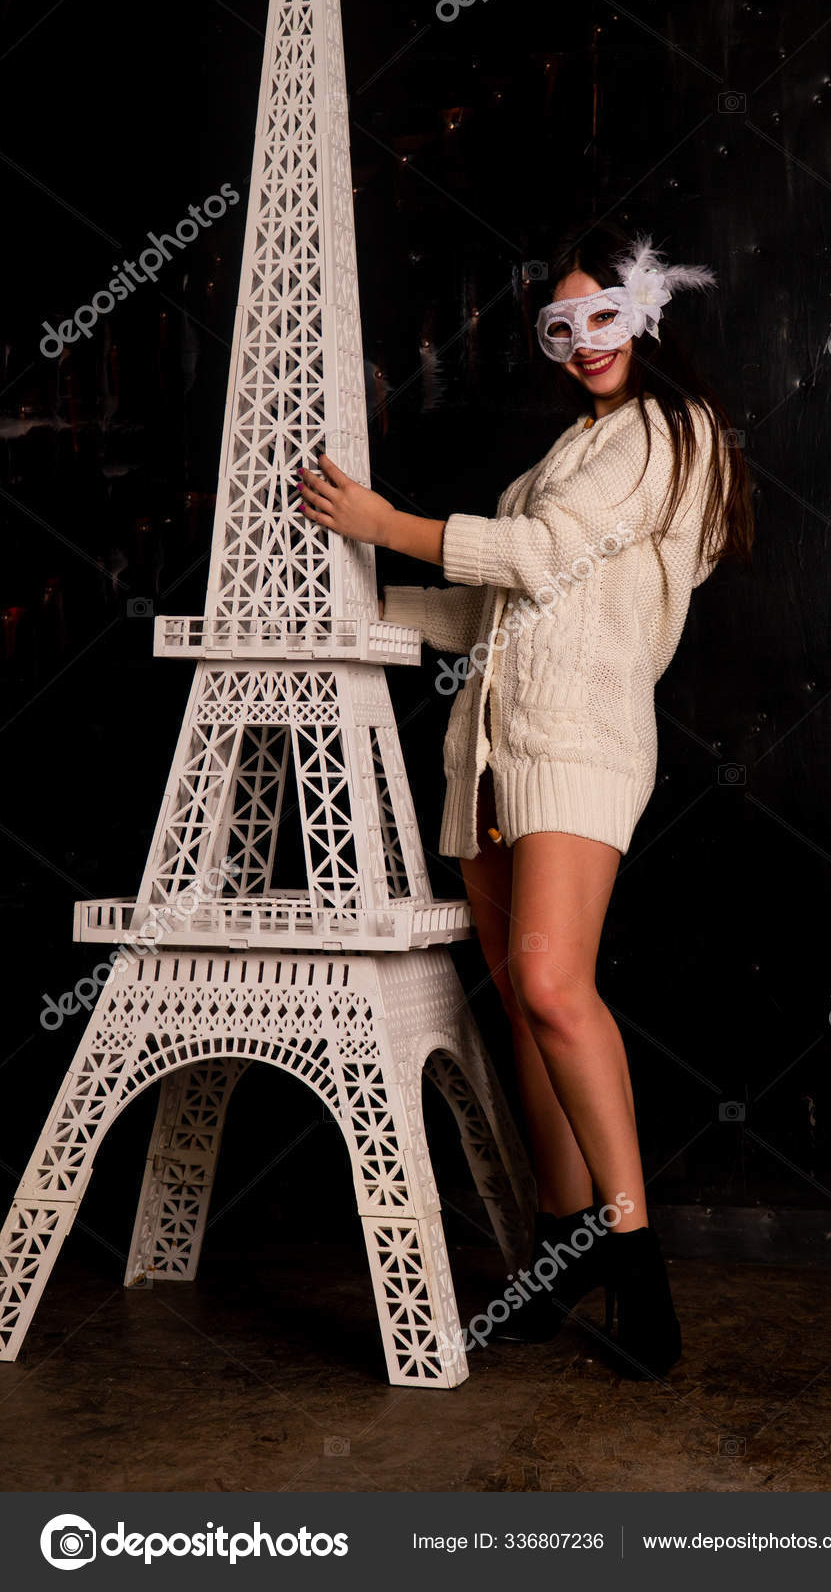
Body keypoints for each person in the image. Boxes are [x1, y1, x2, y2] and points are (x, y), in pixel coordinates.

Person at [296, 224, 754, 1378]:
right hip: (492, 750)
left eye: (601, 316)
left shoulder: (668, 432)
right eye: (560, 327)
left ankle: (633, 1252)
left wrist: (386, 523)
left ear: (645, 312)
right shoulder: (572, 446)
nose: (581, 342)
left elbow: (540, 556)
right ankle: (563, 1248)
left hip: (577, 742)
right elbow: (497, 611)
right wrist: (360, 606)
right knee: (515, 1003)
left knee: (554, 986)